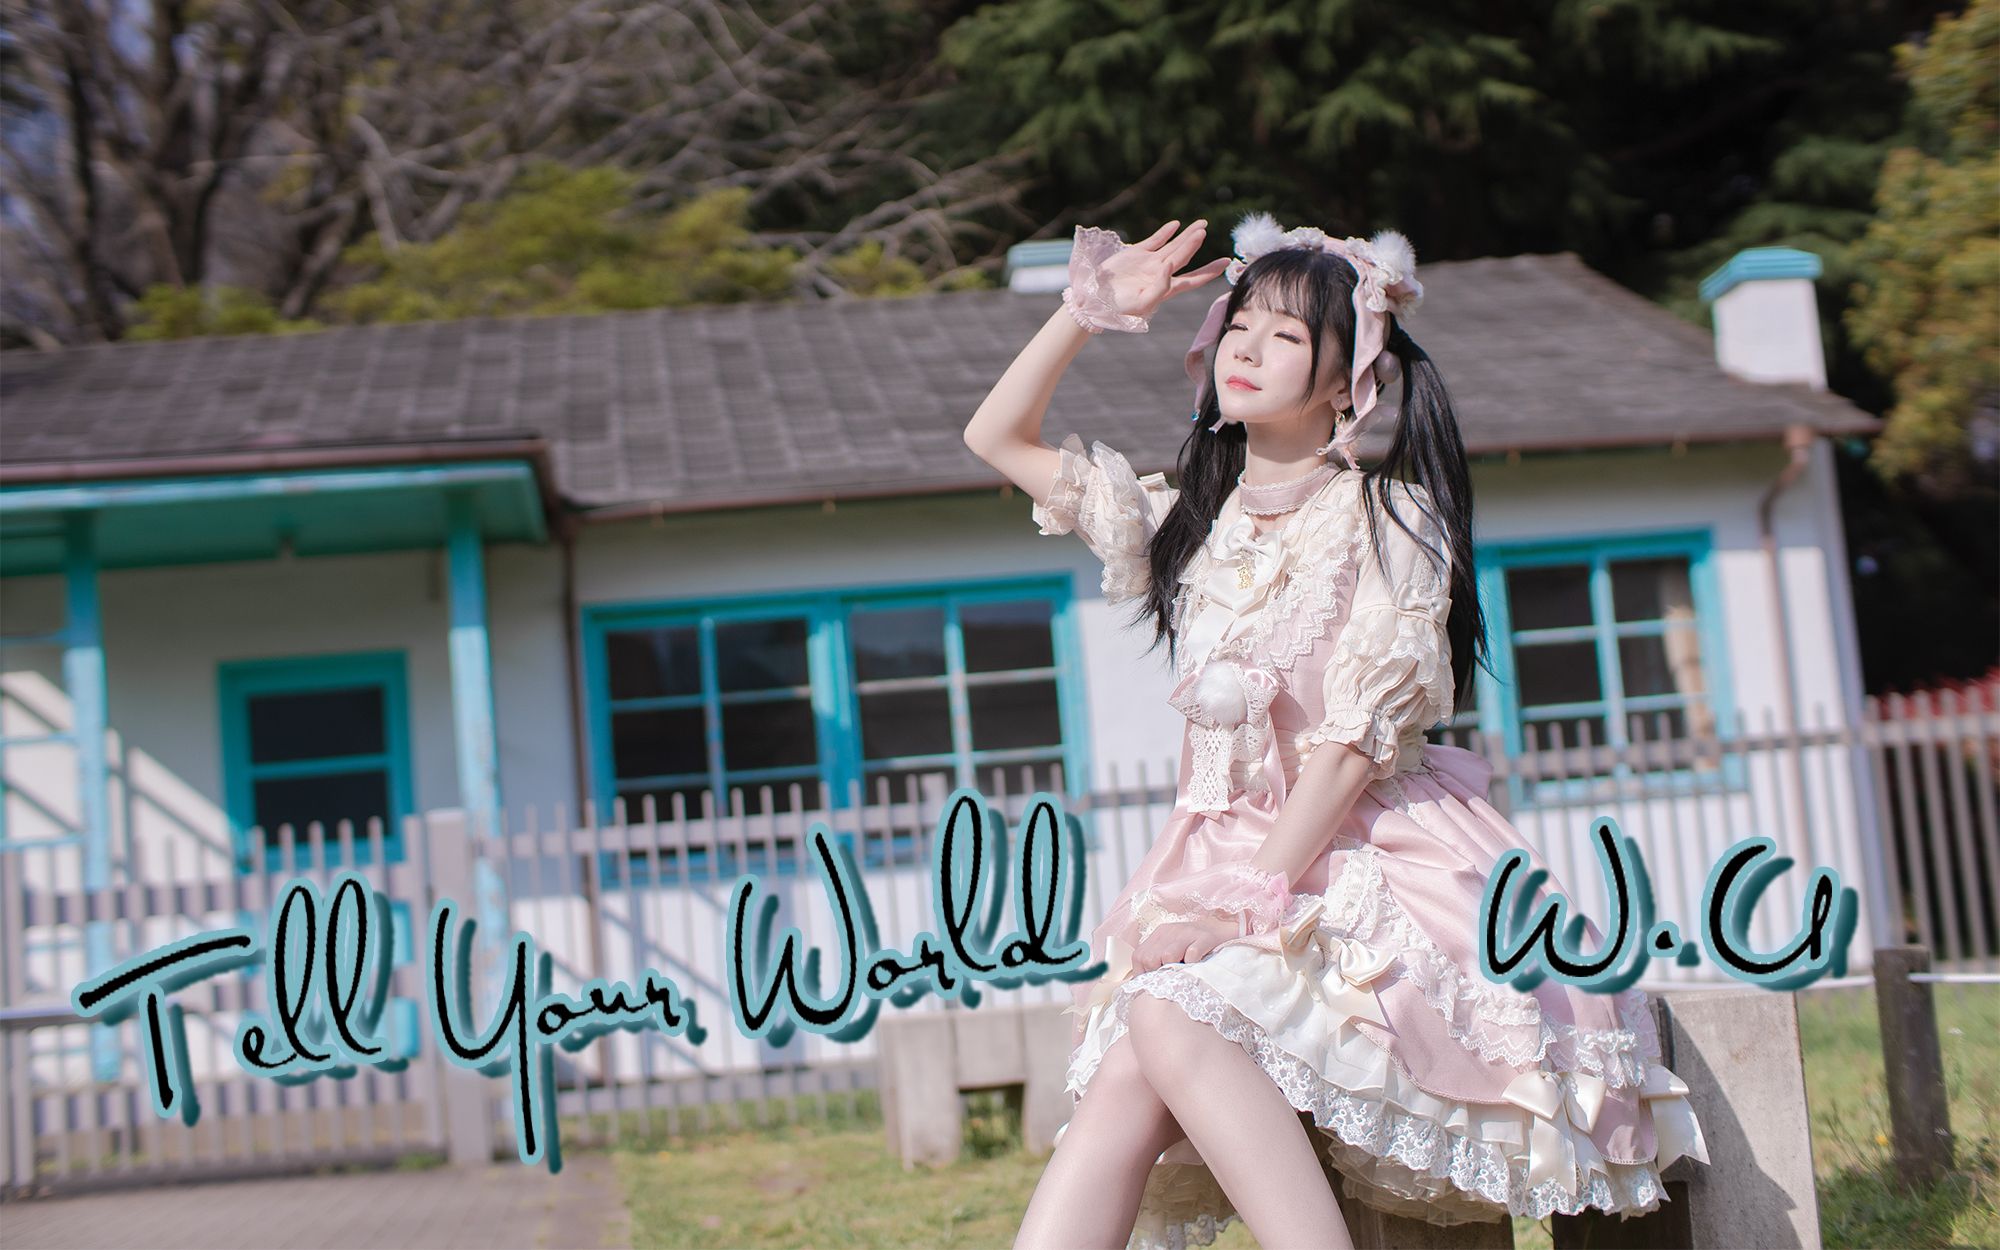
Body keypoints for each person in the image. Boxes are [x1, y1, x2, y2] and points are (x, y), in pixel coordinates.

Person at [962, 215, 1709, 1250]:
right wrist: (1087, 311)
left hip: (1367, 857)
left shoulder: (1391, 519)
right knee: (1134, 1059)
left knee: (1163, 1016)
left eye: (1285, 334)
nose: (1246, 347)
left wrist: (1248, 901)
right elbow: (994, 438)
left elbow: (1353, 742)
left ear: (1344, 381)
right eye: (1238, 326)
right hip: (1219, 856)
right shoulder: (1184, 524)